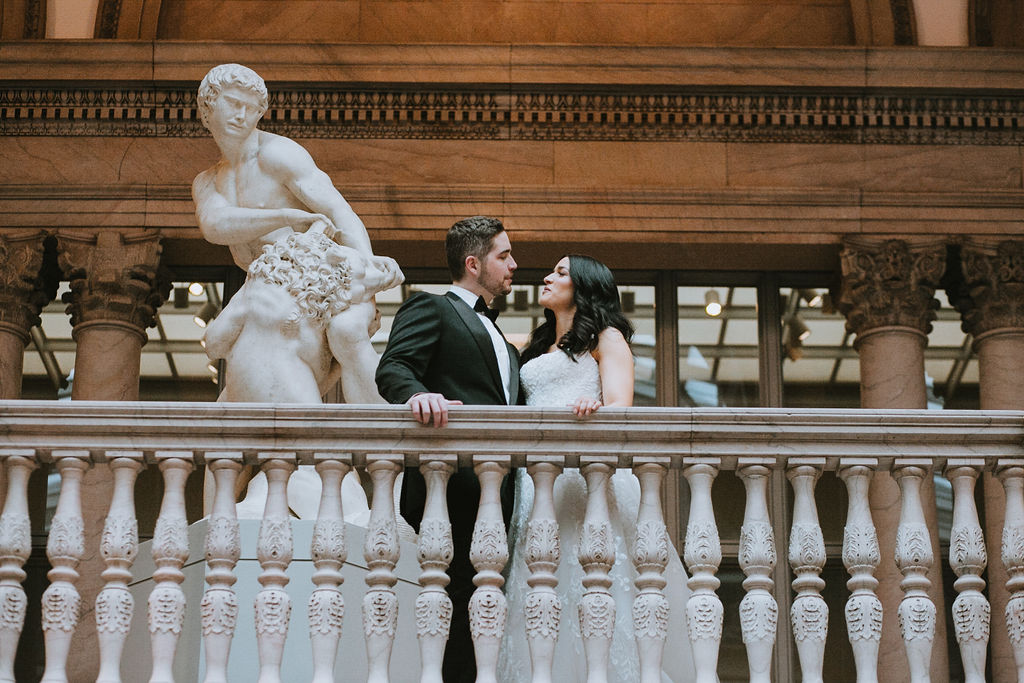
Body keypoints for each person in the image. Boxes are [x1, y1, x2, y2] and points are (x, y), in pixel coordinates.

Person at [192, 63, 403, 520]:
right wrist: (285, 218)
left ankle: (359, 490)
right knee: (225, 442)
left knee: (319, 387)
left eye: (251, 108)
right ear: (208, 109)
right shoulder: (208, 182)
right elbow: (215, 225)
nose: (241, 115)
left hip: (309, 288)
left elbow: (338, 211)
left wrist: (363, 280)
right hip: (265, 295)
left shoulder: (278, 154)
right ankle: (225, 529)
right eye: (232, 104)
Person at [498, 255, 696, 682]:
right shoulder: (537, 346)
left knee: (594, 584)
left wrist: (598, 409)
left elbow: (621, 407)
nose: (548, 277)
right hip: (536, 486)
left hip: (586, 483)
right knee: (541, 589)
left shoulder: (606, 338)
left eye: (562, 272)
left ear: (585, 287)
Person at [375, 215, 520, 683]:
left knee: (489, 609)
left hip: (501, 494)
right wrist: (418, 394)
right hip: (450, 489)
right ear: (473, 264)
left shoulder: (505, 340)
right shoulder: (431, 308)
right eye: (504, 255)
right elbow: (393, 367)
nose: (514, 265)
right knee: (450, 610)